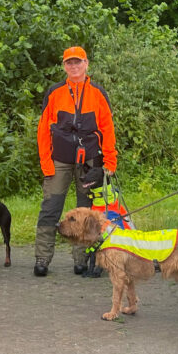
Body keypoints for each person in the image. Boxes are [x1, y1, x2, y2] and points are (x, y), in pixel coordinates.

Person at [33, 46, 117, 276]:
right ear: (64, 66)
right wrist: (46, 162)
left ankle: (82, 258)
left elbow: (108, 129)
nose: (74, 66)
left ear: (86, 63)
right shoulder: (55, 92)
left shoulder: (98, 93)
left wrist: (109, 163)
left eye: (78, 62)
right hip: (59, 159)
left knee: (87, 211)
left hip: (89, 160)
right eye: (69, 62)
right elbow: (43, 130)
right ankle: (42, 258)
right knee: (50, 208)